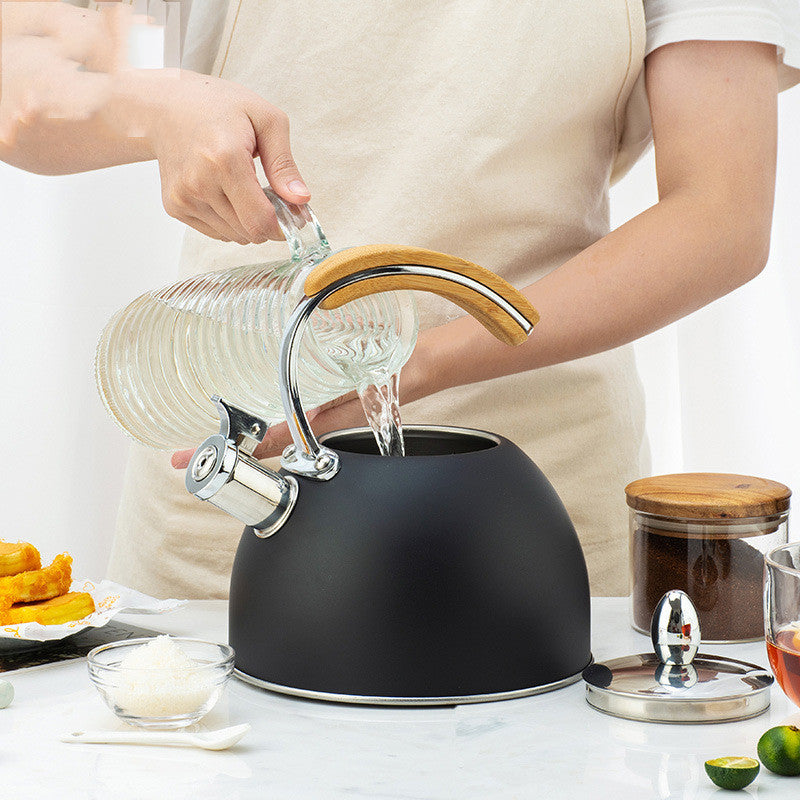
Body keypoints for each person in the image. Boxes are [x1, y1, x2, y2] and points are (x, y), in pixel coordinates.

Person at [2, 0, 798, 599]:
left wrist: (423, 362)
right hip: (237, 506)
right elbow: (21, 77)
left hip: (531, 522)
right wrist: (154, 105)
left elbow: (720, 215)